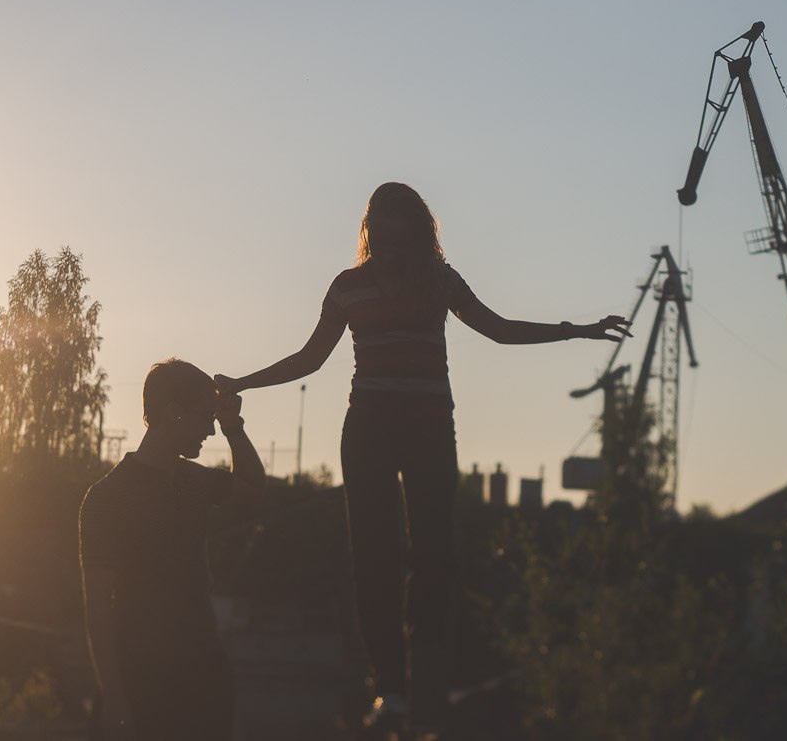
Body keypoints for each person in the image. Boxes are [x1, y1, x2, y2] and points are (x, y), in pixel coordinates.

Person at [214, 182, 629, 733]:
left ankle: (423, 677)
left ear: (419, 237)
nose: (391, 252)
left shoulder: (440, 281)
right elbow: (310, 359)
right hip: (368, 429)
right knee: (373, 558)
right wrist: (243, 381)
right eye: (382, 240)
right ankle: (391, 689)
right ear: (369, 234)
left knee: (435, 555)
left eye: (401, 242)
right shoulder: (347, 288)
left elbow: (499, 330)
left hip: (429, 429)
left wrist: (576, 331)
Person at [79, 358, 265, 741]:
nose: (211, 430)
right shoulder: (106, 498)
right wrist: (114, 697)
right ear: (173, 413)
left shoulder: (196, 481)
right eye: (206, 417)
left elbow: (251, 487)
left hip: (203, 675)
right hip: (142, 680)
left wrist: (233, 425)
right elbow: (97, 610)